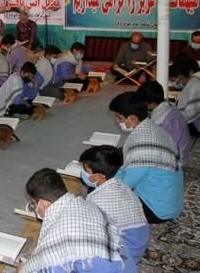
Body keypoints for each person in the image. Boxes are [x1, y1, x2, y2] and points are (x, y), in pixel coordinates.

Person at [21, 168, 129, 273]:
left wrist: (22, 269)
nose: (34, 208)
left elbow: (47, 265)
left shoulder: (59, 233)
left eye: (33, 204)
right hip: (124, 264)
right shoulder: (86, 205)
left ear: (44, 204)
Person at [109, 92, 184, 223]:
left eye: (119, 117)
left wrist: (106, 177)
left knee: (104, 190)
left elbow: (125, 185)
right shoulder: (154, 128)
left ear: (132, 119)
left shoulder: (141, 148)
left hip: (157, 210)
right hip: (171, 203)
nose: (116, 121)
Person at [79, 145, 150, 265]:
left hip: (126, 253)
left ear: (99, 176)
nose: (83, 173)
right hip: (138, 242)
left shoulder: (97, 199)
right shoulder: (120, 185)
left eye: (86, 170)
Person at [137, 80, 190, 166]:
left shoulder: (159, 120)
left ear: (150, 103)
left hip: (175, 163)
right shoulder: (170, 108)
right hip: (183, 156)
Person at [169, 58, 200, 136]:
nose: (176, 82)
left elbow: (189, 113)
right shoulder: (193, 82)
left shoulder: (194, 85)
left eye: (174, 80)